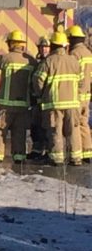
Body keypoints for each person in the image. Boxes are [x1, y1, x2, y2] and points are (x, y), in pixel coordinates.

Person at [32, 31, 83, 166]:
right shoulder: (74, 61)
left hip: (54, 105)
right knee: (73, 131)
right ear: (65, 46)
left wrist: (41, 94)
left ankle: (57, 158)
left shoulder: (48, 61)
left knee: (56, 131)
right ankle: (76, 158)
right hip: (73, 104)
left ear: (53, 45)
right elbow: (81, 81)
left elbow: (38, 80)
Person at [0, 30, 35, 163]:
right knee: (19, 132)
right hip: (23, 106)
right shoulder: (31, 61)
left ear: (11, 44)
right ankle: (19, 157)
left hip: (5, 105)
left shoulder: (6, 58)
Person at [67, 25, 92, 162]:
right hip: (86, 96)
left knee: (75, 125)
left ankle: (76, 155)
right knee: (84, 123)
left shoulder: (74, 54)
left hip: (76, 96)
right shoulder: (89, 53)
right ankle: (88, 152)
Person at [27, 36, 50, 160]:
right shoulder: (39, 62)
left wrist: (41, 94)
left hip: (46, 101)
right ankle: (37, 150)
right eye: (41, 47)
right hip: (37, 101)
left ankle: (47, 152)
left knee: (46, 128)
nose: (43, 49)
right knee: (35, 127)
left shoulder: (50, 62)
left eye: (46, 47)